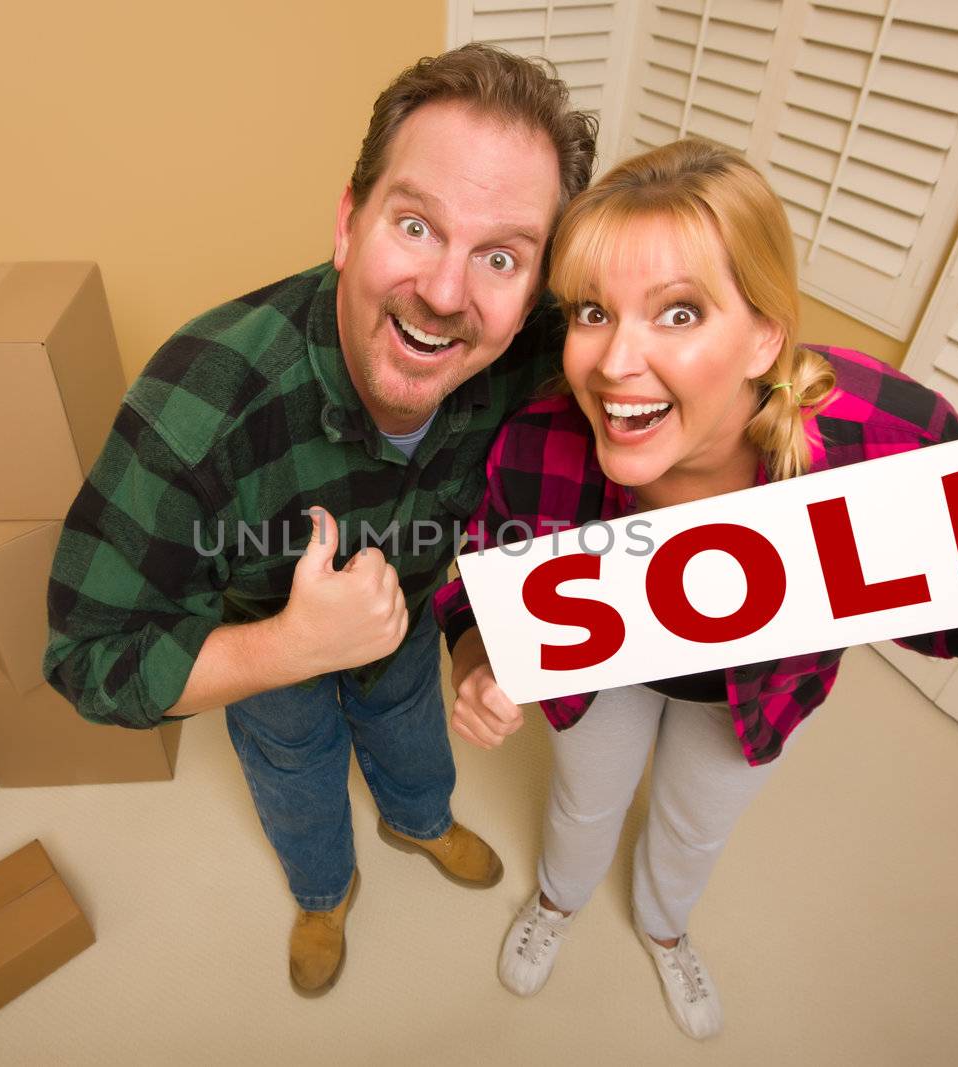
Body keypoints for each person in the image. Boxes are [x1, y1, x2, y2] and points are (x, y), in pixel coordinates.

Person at [434, 137, 958, 1038]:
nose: (613, 363)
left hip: (758, 686)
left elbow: (946, 594)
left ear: (764, 334)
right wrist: (479, 657)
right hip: (603, 675)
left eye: (678, 313)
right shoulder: (537, 440)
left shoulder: (882, 432)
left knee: (693, 824)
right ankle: (558, 901)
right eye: (594, 312)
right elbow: (483, 573)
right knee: (584, 801)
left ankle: (666, 926)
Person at [43, 45, 598, 996]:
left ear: (537, 283)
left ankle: (417, 822)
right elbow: (86, 659)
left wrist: (471, 644)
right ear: (349, 222)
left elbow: (680, 400)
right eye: (416, 224)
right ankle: (324, 894)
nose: (446, 292)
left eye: (501, 254)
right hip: (265, 652)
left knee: (419, 743)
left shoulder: (537, 350)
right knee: (296, 781)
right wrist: (286, 647)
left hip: (409, 629)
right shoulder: (198, 402)